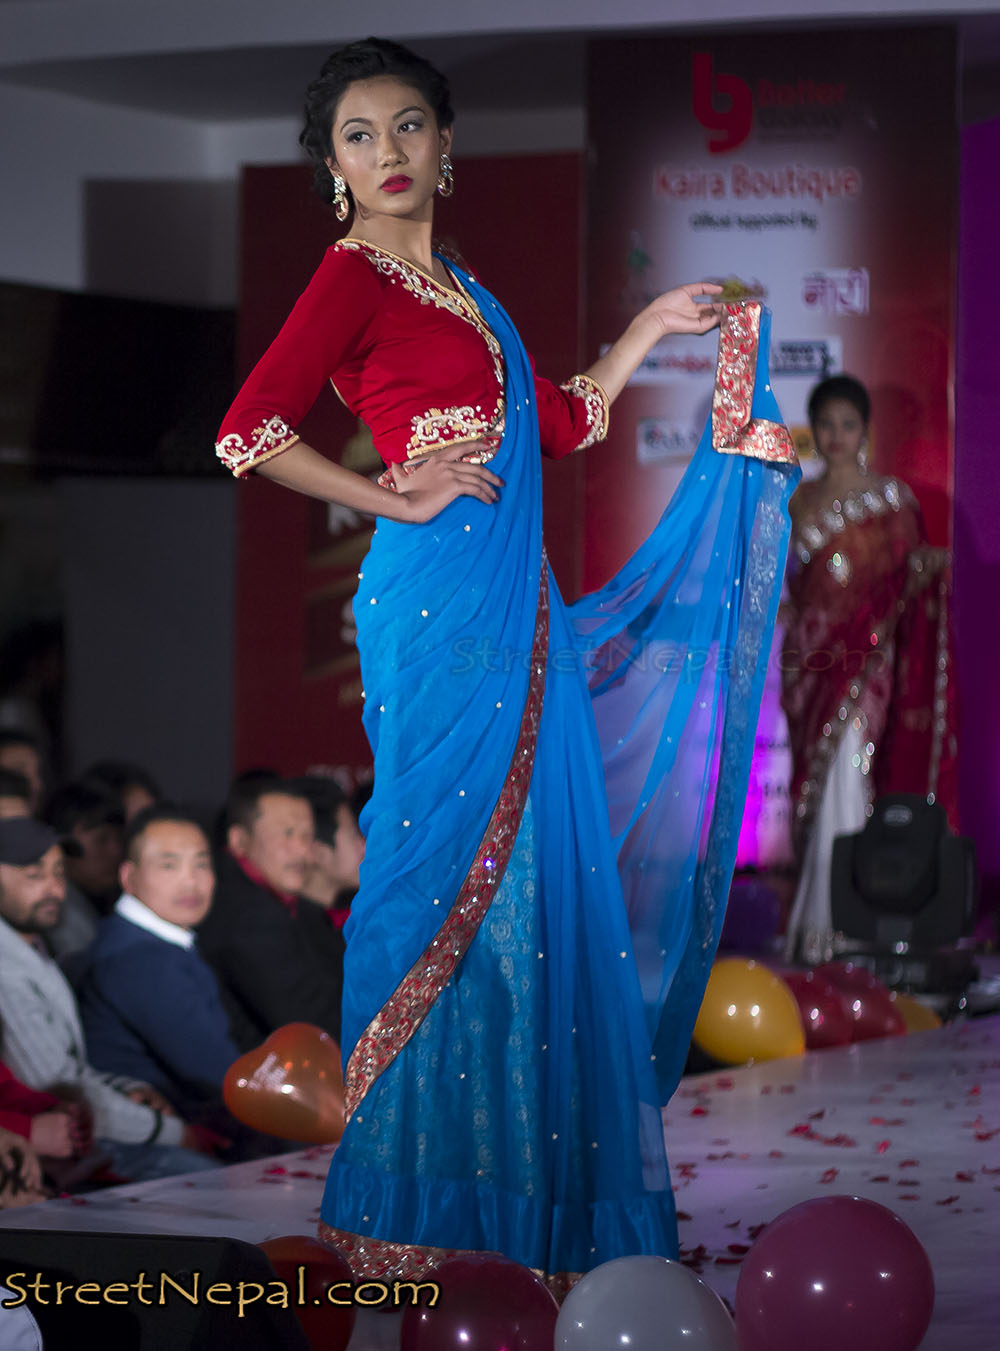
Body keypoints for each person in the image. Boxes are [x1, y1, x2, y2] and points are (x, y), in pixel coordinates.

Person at [215, 37, 797, 1290]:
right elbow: (248, 430)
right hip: (435, 603)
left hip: (514, 604)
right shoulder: (351, 275)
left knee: (521, 889)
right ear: (332, 165)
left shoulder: (464, 291)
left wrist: (646, 328)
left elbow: (560, 421)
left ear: (445, 146)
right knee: (436, 873)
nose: (387, 152)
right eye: (359, 135)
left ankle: (514, 1198)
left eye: (408, 126)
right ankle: (408, 1197)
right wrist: (389, 497)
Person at [781, 375, 958, 962]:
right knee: (817, 777)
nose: (836, 436)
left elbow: (906, 579)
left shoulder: (891, 501)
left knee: (851, 770)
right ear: (813, 430)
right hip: (810, 663)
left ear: (865, 430)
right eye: (826, 425)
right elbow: (790, 583)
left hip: (867, 664)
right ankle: (816, 926)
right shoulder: (796, 500)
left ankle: (844, 922)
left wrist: (928, 568)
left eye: (848, 424)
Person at [0, 817, 218, 1181]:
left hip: (86, 1130)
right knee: (211, 1180)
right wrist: (171, 1132)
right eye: (34, 875)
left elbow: (67, 1072)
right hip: (60, 1147)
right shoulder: (7, 969)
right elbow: (52, 1086)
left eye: (59, 872)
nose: (54, 888)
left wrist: (125, 1087)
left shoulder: (30, 947)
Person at [79, 806, 241, 1112]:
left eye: (201, 864)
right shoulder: (140, 960)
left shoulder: (144, 939)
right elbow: (220, 1077)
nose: (190, 881)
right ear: (129, 877)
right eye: (169, 865)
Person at [197, 778, 346, 1046]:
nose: (301, 850)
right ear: (239, 840)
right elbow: (314, 1025)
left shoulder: (290, 905)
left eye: (307, 836)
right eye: (287, 834)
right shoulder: (245, 916)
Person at [291, 775, 365, 925]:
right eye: (353, 835)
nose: (364, 846)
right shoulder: (284, 929)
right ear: (319, 851)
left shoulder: (346, 921)